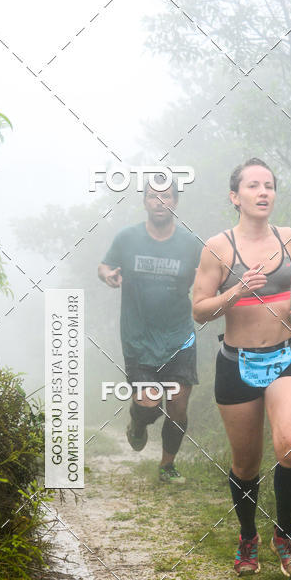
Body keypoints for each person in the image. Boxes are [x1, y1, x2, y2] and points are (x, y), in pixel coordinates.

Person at [192, 158, 291, 576]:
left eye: (269, 185)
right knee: (246, 464)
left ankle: (284, 535)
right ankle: (248, 536)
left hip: (285, 358)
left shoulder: (290, 238)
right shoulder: (218, 248)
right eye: (253, 186)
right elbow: (199, 310)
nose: (264, 192)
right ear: (235, 197)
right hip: (236, 363)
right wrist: (236, 291)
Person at [98, 177, 200, 483]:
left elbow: (210, 273)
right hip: (138, 338)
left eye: (166, 196)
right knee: (149, 402)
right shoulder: (127, 238)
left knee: (178, 406)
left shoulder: (190, 243)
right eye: (153, 197)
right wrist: (108, 275)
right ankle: (137, 422)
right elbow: (104, 266)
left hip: (179, 336)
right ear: (145, 202)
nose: (160, 202)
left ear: (175, 202)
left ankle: (166, 466)